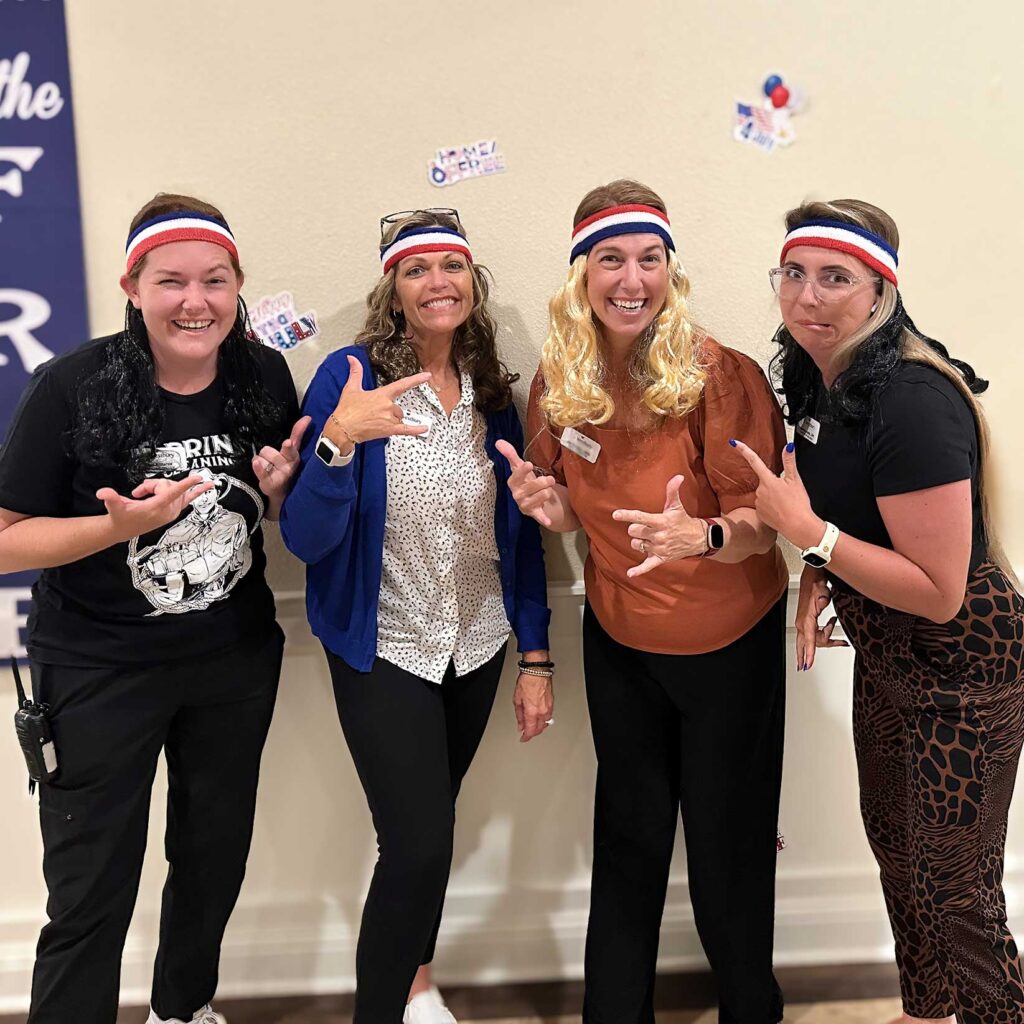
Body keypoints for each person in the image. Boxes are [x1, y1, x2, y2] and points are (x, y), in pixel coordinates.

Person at [0, 193, 306, 1024]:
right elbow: (4, 540)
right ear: (133, 284)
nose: (194, 301)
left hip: (232, 664)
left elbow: (274, 510)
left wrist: (280, 495)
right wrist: (115, 528)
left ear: (239, 285)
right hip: (98, 668)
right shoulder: (72, 385)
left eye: (214, 280)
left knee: (211, 862)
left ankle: (184, 1010)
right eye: (170, 281)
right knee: (91, 884)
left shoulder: (263, 373)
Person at [502, 179, 789, 1024]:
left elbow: (761, 526)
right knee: (627, 839)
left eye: (650, 259)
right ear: (580, 274)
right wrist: (551, 511)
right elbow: (555, 490)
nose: (632, 278)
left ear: (671, 269)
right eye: (611, 259)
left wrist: (700, 537)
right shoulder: (560, 381)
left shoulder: (718, 373)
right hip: (622, 640)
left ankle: (750, 1008)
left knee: (727, 849)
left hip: (727, 641)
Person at [732, 198, 1024, 1024]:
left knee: (958, 885)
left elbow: (940, 589)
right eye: (794, 274)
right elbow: (857, 511)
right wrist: (826, 566)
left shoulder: (912, 400)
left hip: (965, 664)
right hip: (891, 656)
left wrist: (813, 542)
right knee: (901, 854)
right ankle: (925, 1013)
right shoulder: (818, 379)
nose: (808, 296)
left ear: (879, 293)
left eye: (836, 278)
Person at [279, 209, 552, 1024]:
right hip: (385, 644)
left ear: (474, 284)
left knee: (430, 830)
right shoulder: (349, 377)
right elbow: (306, 538)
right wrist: (335, 442)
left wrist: (534, 655)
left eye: (452, 266)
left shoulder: (493, 392)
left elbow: (521, 536)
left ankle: (416, 981)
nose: (438, 281)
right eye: (416, 269)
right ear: (392, 291)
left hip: (475, 643)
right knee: (419, 843)